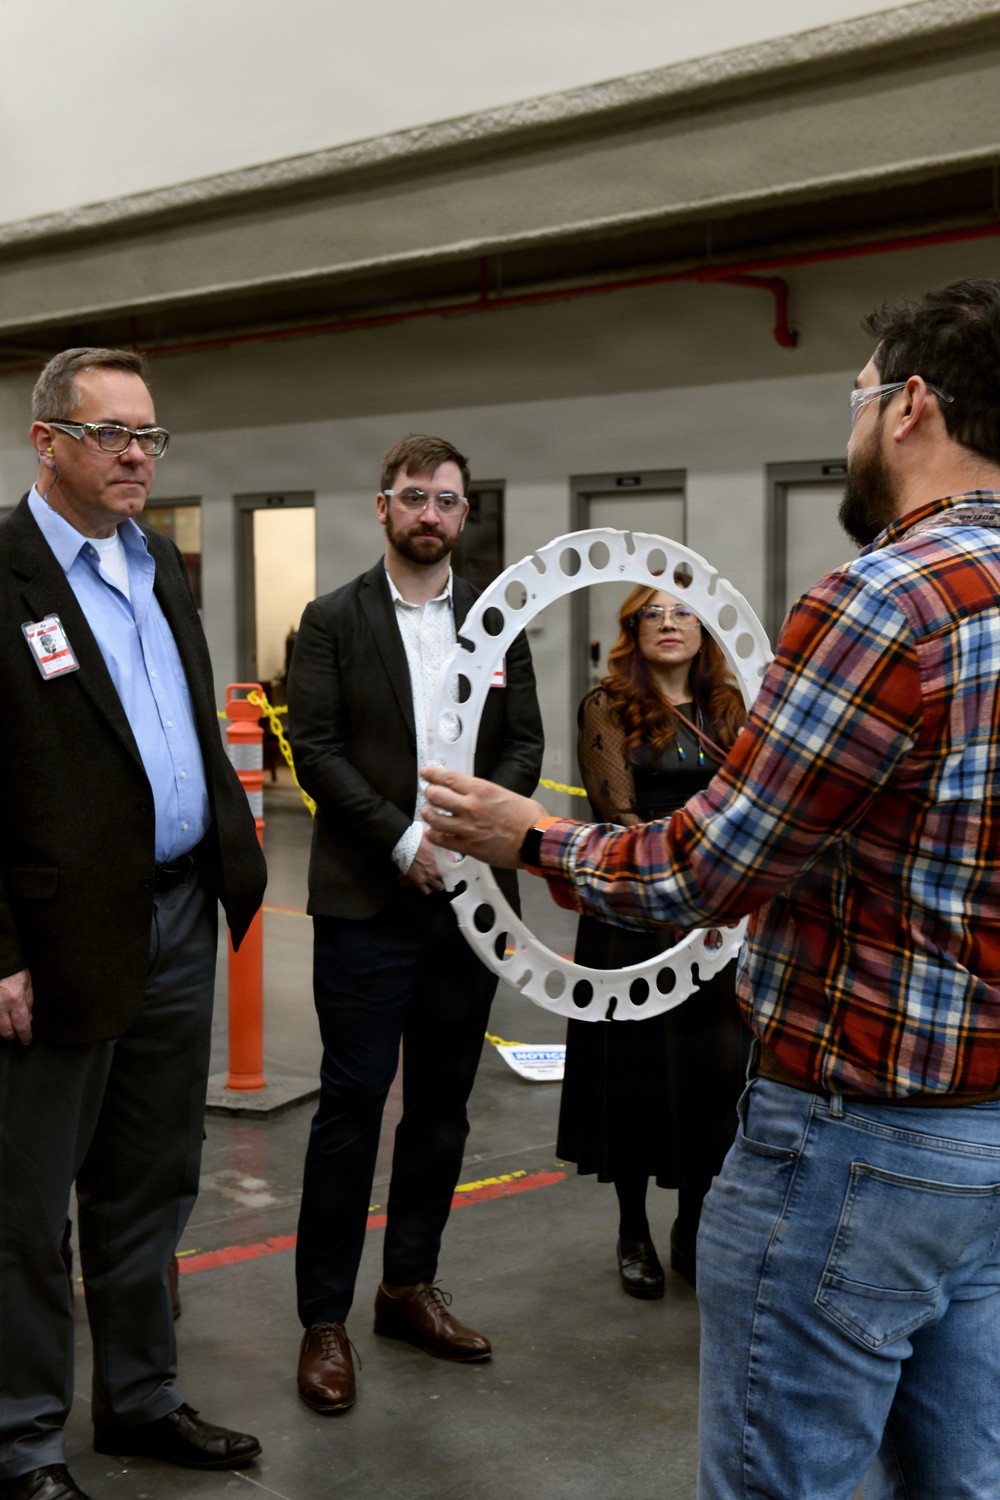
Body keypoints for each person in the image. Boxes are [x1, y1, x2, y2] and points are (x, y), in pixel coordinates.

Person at [423, 280, 1000, 1499]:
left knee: (783, 1476)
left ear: (908, 407)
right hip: (986, 1145)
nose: (851, 422)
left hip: (859, 1142)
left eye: (855, 397)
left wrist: (532, 840)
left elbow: (705, 868)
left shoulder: (885, 599)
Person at [0, 348, 268, 1500]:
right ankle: (22, 1441)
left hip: (177, 912)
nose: (135, 456)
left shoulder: (157, 561)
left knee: (152, 1181)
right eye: (110, 433)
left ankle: (142, 1400)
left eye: (149, 435)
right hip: (56, 937)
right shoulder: (5, 571)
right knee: (25, 1207)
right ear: (46, 441)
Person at [286, 434, 543, 1416]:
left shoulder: (496, 618)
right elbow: (316, 749)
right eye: (412, 497)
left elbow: (524, 743)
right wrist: (404, 841)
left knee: (442, 1104)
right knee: (352, 1106)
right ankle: (323, 1320)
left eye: (446, 500)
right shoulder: (332, 620)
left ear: (463, 514)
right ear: (383, 507)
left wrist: (475, 835)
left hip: (470, 905)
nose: (429, 513)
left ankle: (406, 1289)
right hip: (368, 900)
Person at [559, 586, 750, 1297]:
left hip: (716, 917)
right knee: (634, 1072)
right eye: (653, 614)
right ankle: (633, 1228)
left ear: (705, 629)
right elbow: (619, 812)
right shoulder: (607, 706)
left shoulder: (732, 708)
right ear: (632, 631)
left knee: (713, 1071)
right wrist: (679, 882)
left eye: (682, 611)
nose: (669, 623)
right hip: (634, 908)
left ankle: (692, 1223)